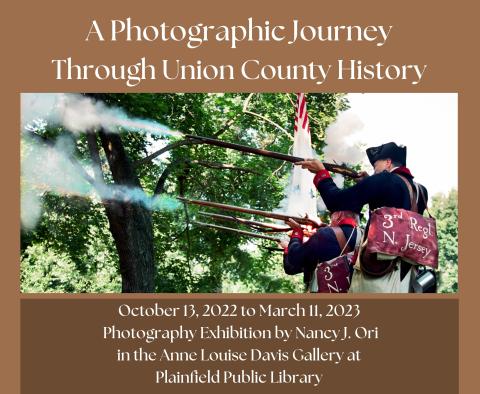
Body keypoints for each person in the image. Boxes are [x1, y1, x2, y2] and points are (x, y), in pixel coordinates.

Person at [295, 142, 429, 293]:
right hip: (406, 274)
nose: (375, 171)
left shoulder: (383, 179)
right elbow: (393, 199)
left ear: (388, 163)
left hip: (378, 272)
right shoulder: (421, 191)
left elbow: (337, 202)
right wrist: (369, 182)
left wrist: (321, 174)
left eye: (375, 166)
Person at [281, 210, 361, 291]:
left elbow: (294, 258)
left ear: (338, 215)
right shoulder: (365, 236)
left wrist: (297, 232)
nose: (330, 220)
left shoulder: (325, 234)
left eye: (331, 216)